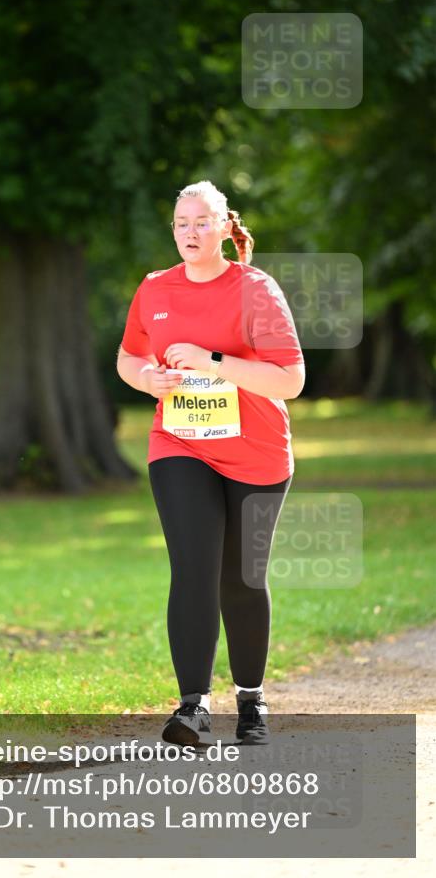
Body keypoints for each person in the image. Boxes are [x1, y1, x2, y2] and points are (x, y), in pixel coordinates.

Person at [116, 180, 305, 747]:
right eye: (180, 222)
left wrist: (212, 361)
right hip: (181, 442)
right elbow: (129, 355)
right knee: (193, 568)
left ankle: (251, 699)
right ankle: (193, 708)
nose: (190, 232)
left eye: (202, 221)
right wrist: (148, 377)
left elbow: (290, 380)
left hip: (257, 451)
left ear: (225, 227)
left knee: (242, 580)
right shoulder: (153, 289)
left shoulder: (256, 290)